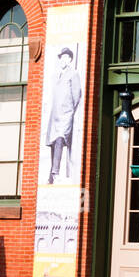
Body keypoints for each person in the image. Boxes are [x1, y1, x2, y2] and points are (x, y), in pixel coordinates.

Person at [46, 47, 82, 183]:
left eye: (66, 57)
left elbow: (76, 94)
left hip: (66, 113)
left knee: (60, 138)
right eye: (61, 57)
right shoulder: (55, 76)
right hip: (55, 114)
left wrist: (69, 110)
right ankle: (51, 173)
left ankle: (55, 172)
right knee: (53, 141)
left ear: (70, 59)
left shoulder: (73, 74)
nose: (63, 60)